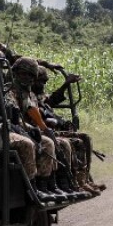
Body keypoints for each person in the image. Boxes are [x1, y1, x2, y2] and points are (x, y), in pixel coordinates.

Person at [32, 66, 102, 195]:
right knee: (73, 142)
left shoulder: (38, 97)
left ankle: (84, 180)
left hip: (50, 130)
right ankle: (74, 182)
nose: (42, 85)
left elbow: (52, 99)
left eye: (44, 82)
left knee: (85, 138)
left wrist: (66, 84)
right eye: (40, 81)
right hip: (41, 131)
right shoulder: (29, 97)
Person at [5, 57, 66, 199]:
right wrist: (29, 130)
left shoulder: (30, 94)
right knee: (28, 144)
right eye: (22, 74)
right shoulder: (9, 90)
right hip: (9, 129)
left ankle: (45, 185)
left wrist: (41, 128)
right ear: (15, 73)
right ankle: (31, 188)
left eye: (30, 75)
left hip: (25, 129)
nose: (26, 78)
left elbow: (36, 114)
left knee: (49, 142)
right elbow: (13, 116)